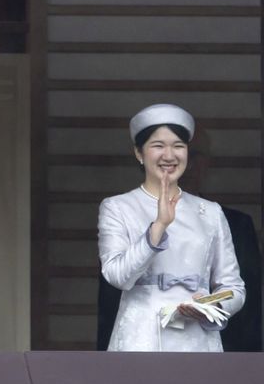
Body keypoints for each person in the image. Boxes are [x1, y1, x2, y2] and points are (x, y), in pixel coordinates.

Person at [97, 124, 262, 351]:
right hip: (140, 338)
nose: (169, 155)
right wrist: (159, 226)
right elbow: (117, 276)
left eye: (178, 146)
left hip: (198, 340)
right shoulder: (118, 206)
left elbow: (233, 287)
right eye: (158, 146)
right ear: (139, 153)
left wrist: (207, 306)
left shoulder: (211, 211)